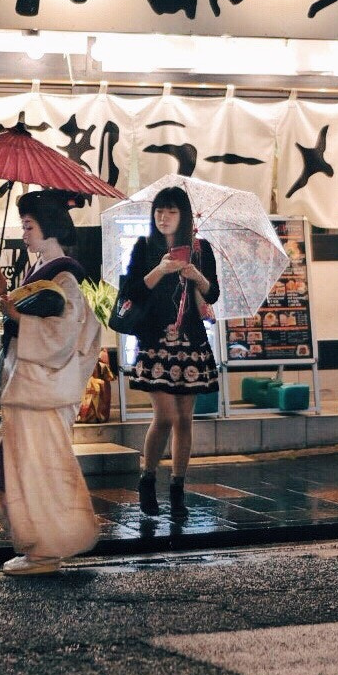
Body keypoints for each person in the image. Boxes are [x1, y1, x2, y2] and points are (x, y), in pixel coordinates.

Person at [0, 190, 102, 575]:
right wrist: (4, 296)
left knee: (33, 470)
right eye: (23, 225)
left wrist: (15, 313)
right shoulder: (44, 269)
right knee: (16, 468)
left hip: (41, 388)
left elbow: (64, 334)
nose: (24, 232)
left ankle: (45, 551)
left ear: (48, 227)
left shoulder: (65, 274)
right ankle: (39, 545)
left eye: (29, 225)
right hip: (28, 385)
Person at [123, 185, 220, 518]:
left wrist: (198, 277)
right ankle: (147, 479)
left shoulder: (200, 249)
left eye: (171, 212)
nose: (163, 217)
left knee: (185, 420)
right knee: (165, 416)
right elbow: (131, 291)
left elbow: (214, 293)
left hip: (190, 341)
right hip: (154, 342)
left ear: (184, 216)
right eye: (159, 211)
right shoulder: (144, 247)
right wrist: (160, 270)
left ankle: (178, 488)